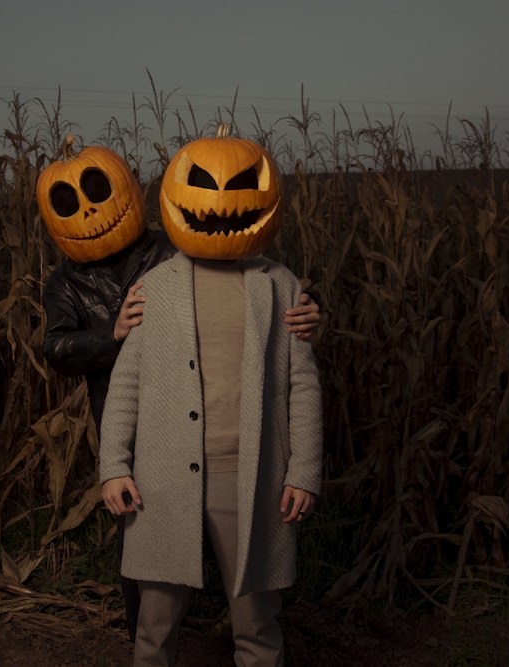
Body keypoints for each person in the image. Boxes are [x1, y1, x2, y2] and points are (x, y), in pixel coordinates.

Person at [38, 141, 321, 644]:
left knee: (254, 616)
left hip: (244, 465)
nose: (87, 211)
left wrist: (310, 303)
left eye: (99, 191)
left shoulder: (248, 275)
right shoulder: (112, 284)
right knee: (151, 615)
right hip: (155, 458)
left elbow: (299, 374)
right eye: (69, 202)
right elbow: (91, 366)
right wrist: (115, 463)